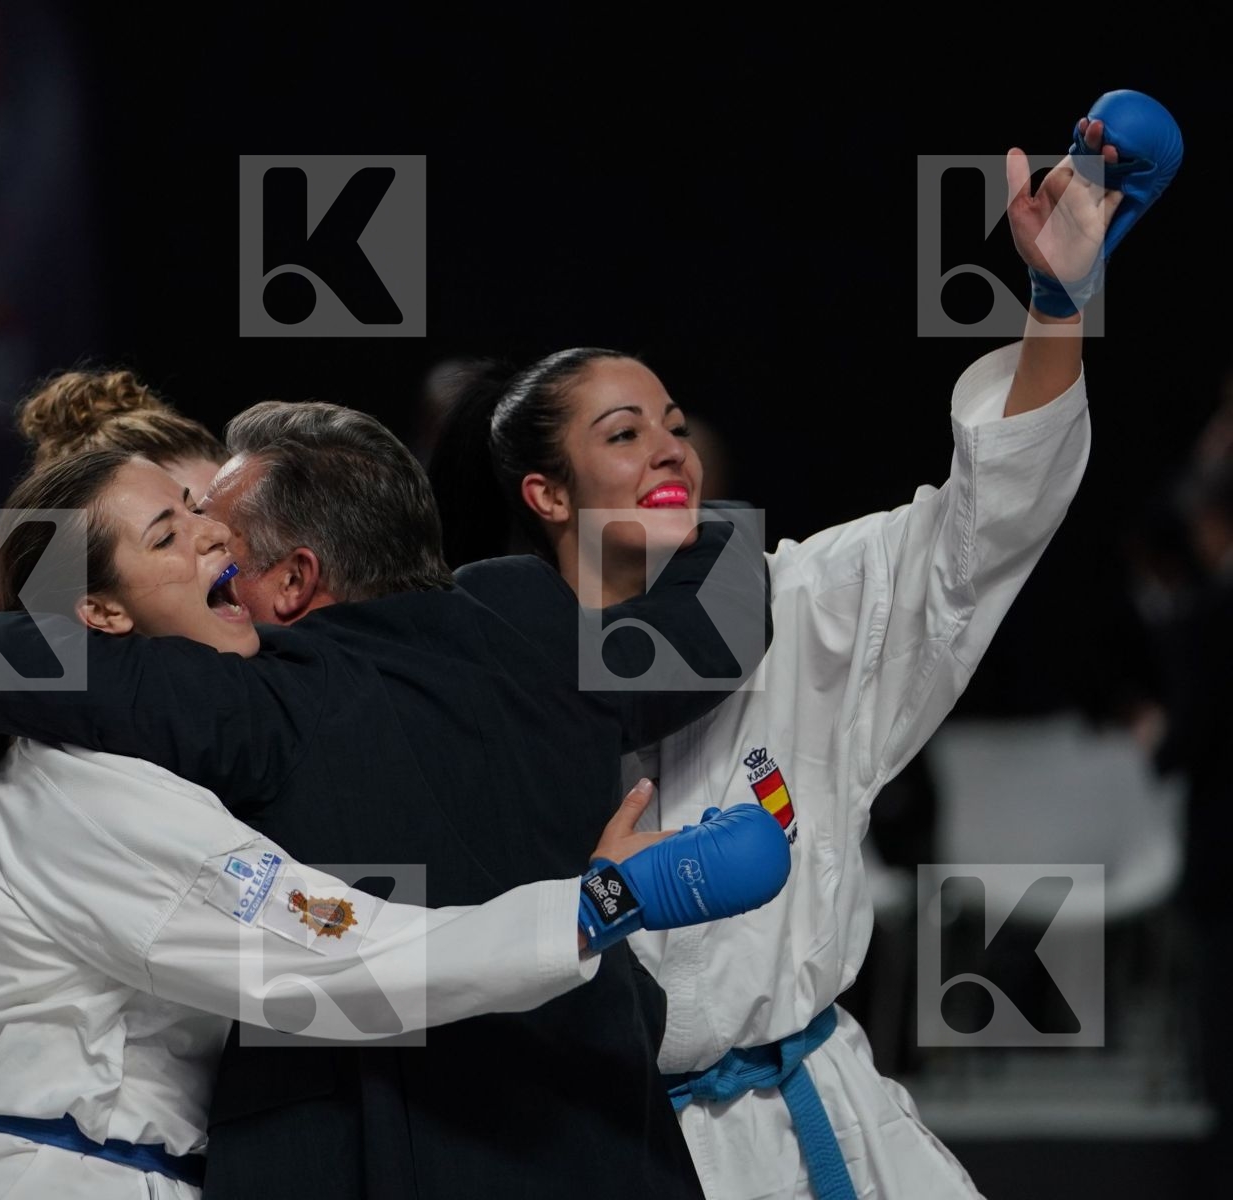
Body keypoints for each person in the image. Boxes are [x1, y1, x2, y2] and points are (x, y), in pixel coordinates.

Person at [0, 372, 787, 1198]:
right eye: (180, 530)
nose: (223, 544)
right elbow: (339, 957)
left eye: (217, 518)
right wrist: (598, 906)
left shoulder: (180, 730)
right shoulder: (88, 780)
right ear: (102, 616)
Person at [432, 95, 1178, 1198]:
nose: (667, 449)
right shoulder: (481, 677)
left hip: (824, 1122)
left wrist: (1058, 300)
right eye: (623, 434)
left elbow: (987, 522)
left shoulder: (804, 604)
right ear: (545, 493)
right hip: (612, 1147)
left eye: (674, 424)